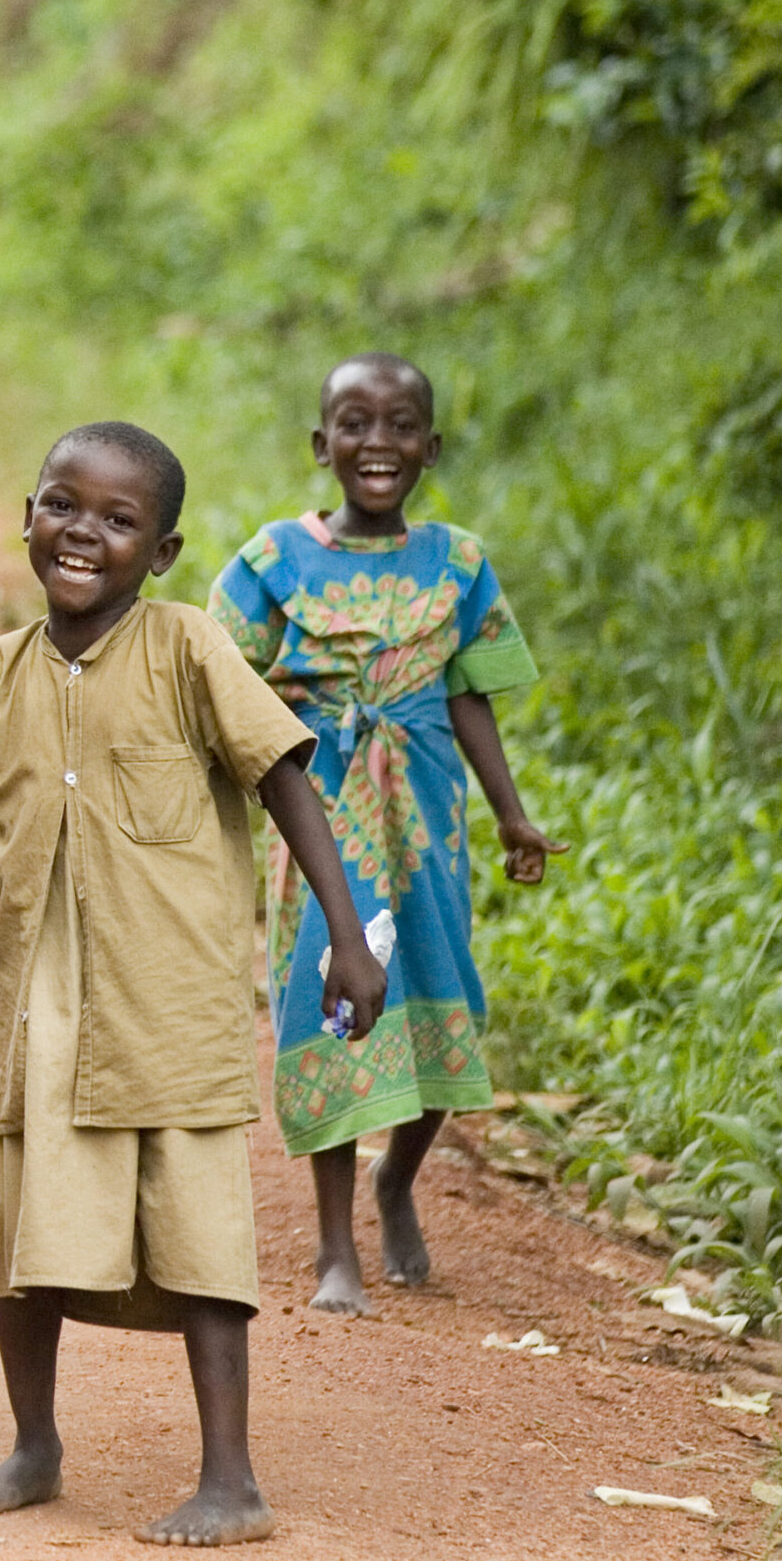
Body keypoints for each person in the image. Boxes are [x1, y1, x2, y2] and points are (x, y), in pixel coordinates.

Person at [0, 423, 390, 1547]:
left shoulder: (188, 648)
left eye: (116, 521)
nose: (82, 534)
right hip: (43, 1006)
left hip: (171, 1005)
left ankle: (232, 1480)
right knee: (23, 1234)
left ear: (160, 551)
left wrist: (347, 940)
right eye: (62, 504)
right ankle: (34, 1445)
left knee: (199, 1239)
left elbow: (287, 781)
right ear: (27, 515)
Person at [207, 352, 556, 1316]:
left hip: (429, 822)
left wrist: (511, 811)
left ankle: (396, 1179)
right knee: (330, 999)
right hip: (320, 821)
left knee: (446, 992)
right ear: (322, 445)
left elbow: (470, 693)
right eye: (355, 424)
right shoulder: (273, 560)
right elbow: (218, 681)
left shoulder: (459, 562)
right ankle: (333, 1248)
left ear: (429, 447)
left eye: (401, 425)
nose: (378, 443)